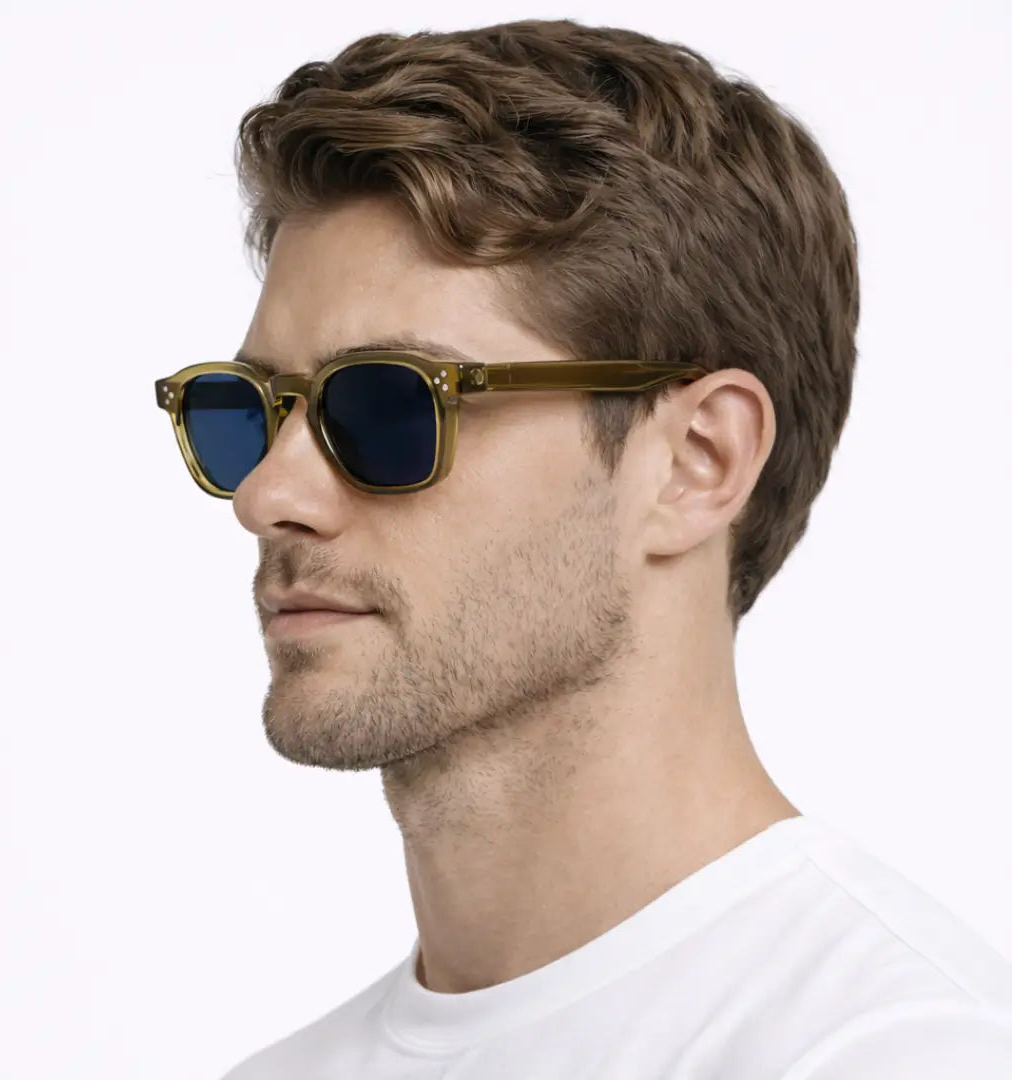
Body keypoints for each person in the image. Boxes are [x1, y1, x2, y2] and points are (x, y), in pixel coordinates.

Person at [152, 18, 1012, 1078]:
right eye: (247, 409)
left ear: (696, 461)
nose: (268, 495)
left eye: (388, 406)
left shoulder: (895, 1051)